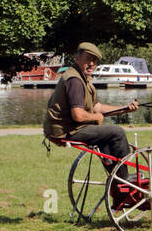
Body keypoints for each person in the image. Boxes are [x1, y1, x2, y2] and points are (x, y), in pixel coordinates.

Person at [43, 43, 139, 182]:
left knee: (105, 134)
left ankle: (116, 177)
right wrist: (96, 117)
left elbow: (97, 107)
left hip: (69, 128)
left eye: (94, 61)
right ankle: (123, 178)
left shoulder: (83, 78)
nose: (91, 64)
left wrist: (124, 108)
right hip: (66, 130)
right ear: (77, 58)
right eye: (88, 59)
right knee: (117, 132)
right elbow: (78, 115)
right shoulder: (75, 80)